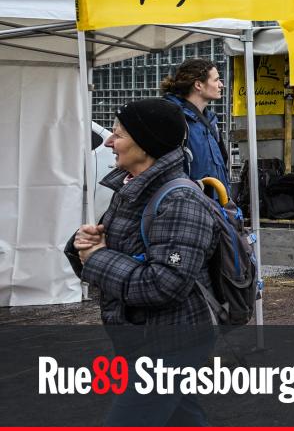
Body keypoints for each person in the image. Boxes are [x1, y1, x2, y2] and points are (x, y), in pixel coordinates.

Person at [64, 99, 222, 425]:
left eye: (119, 135)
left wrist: (97, 257)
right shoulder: (131, 187)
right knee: (184, 418)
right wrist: (85, 246)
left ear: (146, 145)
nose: (108, 141)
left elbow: (164, 284)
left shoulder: (180, 200)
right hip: (145, 337)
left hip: (172, 342)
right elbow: (115, 255)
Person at [161, 58, 229, 188]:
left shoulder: (210, 121)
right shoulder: (174, 119)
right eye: (216, 80)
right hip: (191, 204)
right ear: (198, 85)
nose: (221, 85)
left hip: (214, 203)